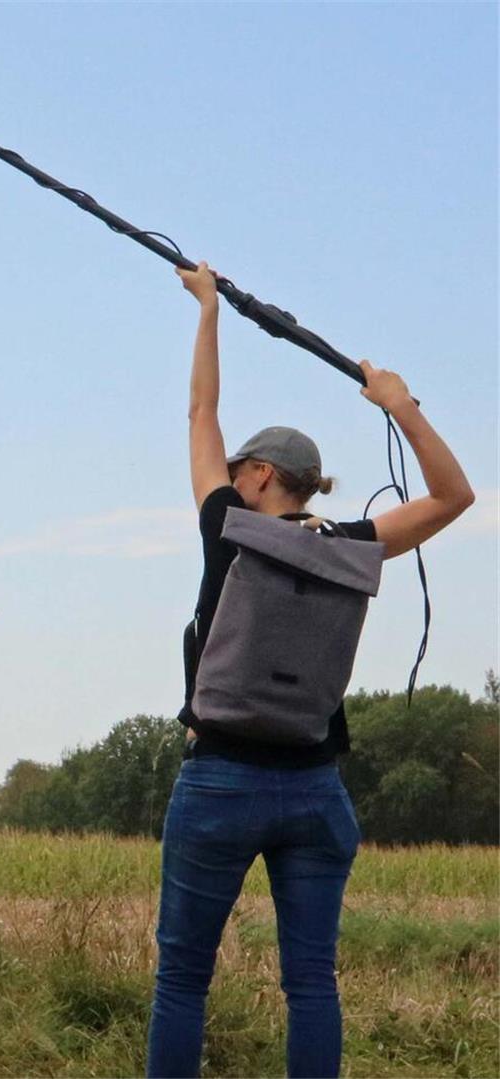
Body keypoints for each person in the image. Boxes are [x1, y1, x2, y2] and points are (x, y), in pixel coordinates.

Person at [147, 263, 474, 1079]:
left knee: (183, 980)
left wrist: (209, 309)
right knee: (310, 983)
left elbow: (199, 412)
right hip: (316, 788)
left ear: (257, 475)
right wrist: (400, 406)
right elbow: (454, 495)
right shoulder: (359, 544)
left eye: (240, 466)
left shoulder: (227, 524)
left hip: (222, 778)